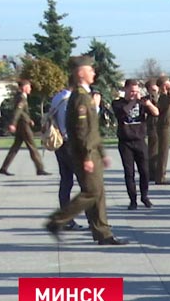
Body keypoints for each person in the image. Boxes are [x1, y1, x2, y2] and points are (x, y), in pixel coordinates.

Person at [44, 56, 128, 245]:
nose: (94, 73)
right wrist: (88, 156)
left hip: (92, 152)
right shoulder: (80, 97)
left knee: (97, 193)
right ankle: (57, 220)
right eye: (90, 70)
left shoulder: (85, 95)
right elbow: (81, 131)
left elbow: (93, 131)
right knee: (91, 192)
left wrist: (102, 154)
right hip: (85, 153)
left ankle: (102, 233)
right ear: (80, 73)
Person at [111, 79, 159, 210]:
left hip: (140, 140)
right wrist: (134, 101)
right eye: (132, 91)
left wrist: (148, 104)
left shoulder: (142, 102)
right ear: (125, 90)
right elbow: (123, 112)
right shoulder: (118, 103)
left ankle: (145, 196)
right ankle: (133, 200)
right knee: (129, 172)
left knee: (144, 171)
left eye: (136, 91)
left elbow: (156, 113)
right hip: (125, 142)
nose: (134, 94)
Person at [48, 81, 86, 230]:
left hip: (60, 144)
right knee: (86, 184)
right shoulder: (72, 99)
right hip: (71, 143)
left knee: (66, 181)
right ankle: (72, 218)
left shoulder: (58, 97)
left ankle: (65, 218)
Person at [0, 79, 49, 176]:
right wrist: (13, 124)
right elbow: (18, 111)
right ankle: (40, 168)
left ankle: (4, 168)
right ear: (24, 87)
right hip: (23, 125)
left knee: (15, 147)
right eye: (29, 87)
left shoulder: (20, 97)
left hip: (23, 123)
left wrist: (29, 119)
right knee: (32, 146)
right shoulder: (21, 98)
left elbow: (22, 112)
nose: (30, 89)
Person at [154, 76, 170, 184]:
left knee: (163, 152)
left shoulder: (163, 97)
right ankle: (160, 177)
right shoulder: (163, 97)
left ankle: (160, 175)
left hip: (166, 125)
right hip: (164, 127)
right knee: (163, 152)